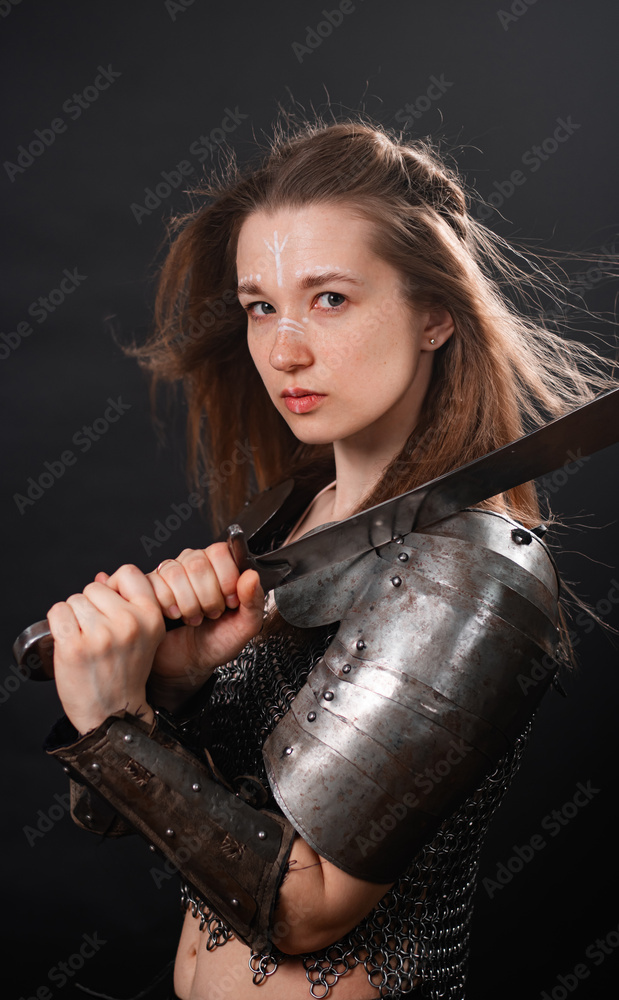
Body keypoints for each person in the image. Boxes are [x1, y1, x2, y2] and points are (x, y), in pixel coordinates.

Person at [43, 119, 616, 999]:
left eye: (330, 299)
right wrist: (169, 686)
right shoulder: (286, 517)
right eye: (260, 305)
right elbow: (144, 817)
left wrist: (116, 728)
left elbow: (303, 910)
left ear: (435, 315)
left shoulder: (468, 573)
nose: (283, 349)